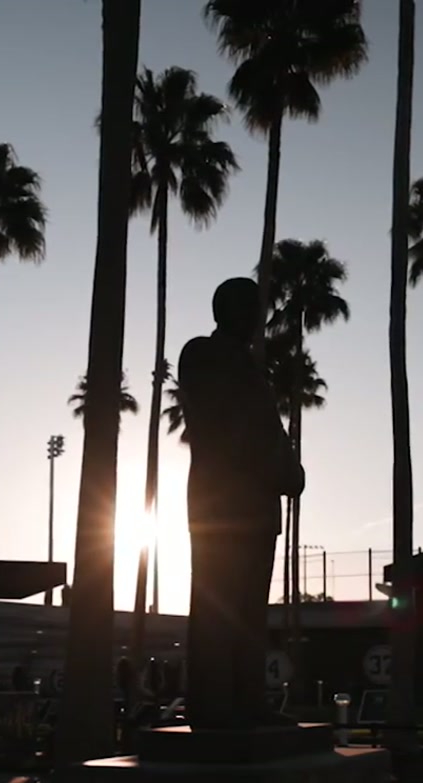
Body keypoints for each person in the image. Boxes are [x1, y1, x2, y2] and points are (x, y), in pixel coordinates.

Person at [179, 277, 304, 729]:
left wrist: (290, 471)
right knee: (218, 606)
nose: (258, 319)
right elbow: (229, 430)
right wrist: (276, 467)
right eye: (250, 309)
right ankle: (212, 705)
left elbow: (269, 432)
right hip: (221, 509)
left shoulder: (253, 369)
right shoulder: (202, 354)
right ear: (226, 310)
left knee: (250, 611)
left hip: (258, 509)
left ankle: (248, 701)